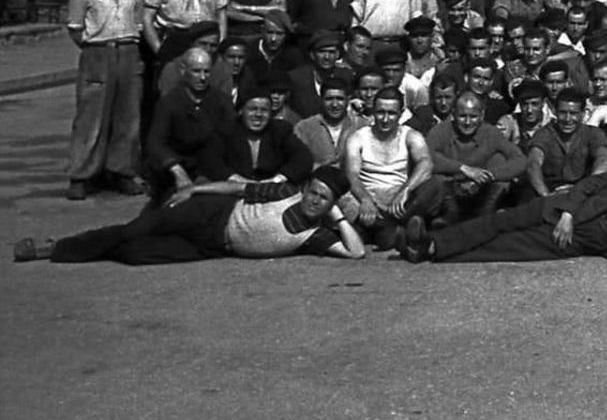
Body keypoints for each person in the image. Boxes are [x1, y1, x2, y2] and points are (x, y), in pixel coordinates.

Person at [398, 137, 607, 263]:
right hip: (566, 208)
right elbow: (588, 185)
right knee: (500, 221)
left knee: (510, 247)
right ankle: (429, 240)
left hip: (593, 237)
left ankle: (431, 251)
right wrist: (567, 213)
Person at [13, 166, 364, 265]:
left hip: (214, 246)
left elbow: (356, 252)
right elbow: (237, 189)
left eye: (324, 198)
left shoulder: (314, 235)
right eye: (313, 191)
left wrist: (339, 218)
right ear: (305, 188)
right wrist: (195, 190)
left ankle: (97, 249)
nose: (314, 200)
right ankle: (54, 248)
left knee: (136, 254)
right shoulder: (286, 193)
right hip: (211, 213)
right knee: (133, 230)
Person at [63, 0, 146, 200]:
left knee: (128, 118)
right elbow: (75, 29)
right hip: (97, 53)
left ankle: (120, 171)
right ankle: (81, 175)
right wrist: (95, 51)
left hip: (129, 52)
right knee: (91, 117)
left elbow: (140, 25)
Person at [341, 87, 446, 249]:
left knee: (435, 183)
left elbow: (426, 163)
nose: (385, 119)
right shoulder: (358, 137)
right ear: (373, 112)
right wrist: (365, 199)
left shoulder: (411, 135)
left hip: (400, 201)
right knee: (344, 198)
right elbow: (352, 175)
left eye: (391, 113)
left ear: (401, 113)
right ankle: (395, 230)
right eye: (380, 112)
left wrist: (405, 191)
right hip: (370, 199)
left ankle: (389, 228)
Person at [145, 47, 238, 205]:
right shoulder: (170, 103)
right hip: (177, 171)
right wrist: (177, 170)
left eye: (206, 72)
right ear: (183, 71)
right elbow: (156, 142)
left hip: (212, 170)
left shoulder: (222, 101)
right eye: (196, 71)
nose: (202, 77)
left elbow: (234, 135)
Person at [424, 91, 526, 225]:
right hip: (449, 191)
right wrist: (463, 169)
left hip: (481, 192)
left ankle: (483, 217)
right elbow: (425, 156)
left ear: (482, 115)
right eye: (462, 116)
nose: (467, 122)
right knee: (434, 178)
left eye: (473, 117)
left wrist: (488, 175)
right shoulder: (441, 130)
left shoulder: (491, 133)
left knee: (500, 159)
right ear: (453, 114)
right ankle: (447, 217)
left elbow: (519, 160)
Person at [199, 89, 314, 183]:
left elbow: (303, 158)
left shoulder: (281, 131)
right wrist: (236, 179)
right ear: (241, 111)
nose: (258, 115)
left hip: (271, 189)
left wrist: (277, 179)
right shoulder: (226, 130)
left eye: (264, 110)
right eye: (252, 109)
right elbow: (211, 161)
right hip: (232, 189)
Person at [524, 88, 607, 197]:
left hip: (583, 189)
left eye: (574, 113)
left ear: (583, 113)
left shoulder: (593, 133)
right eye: (562, 113)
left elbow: (603, 160)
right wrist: (546, 195)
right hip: (549, 189)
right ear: (555, 112)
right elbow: (533, 163)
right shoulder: (544, 133)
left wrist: (586, 188)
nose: (568, 119)